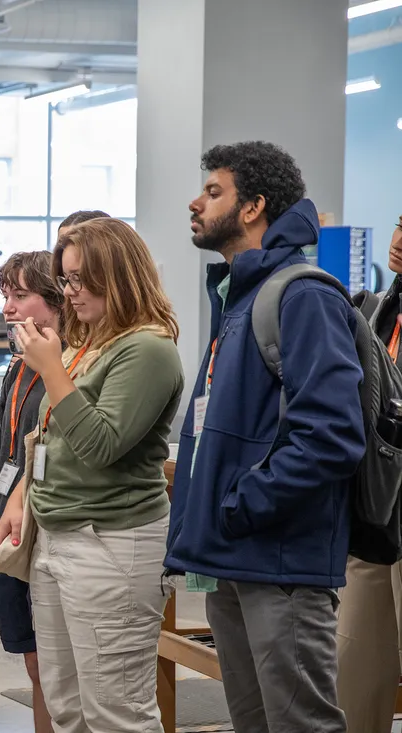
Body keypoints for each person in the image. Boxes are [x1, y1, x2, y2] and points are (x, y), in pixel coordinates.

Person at [165, 142, 365, 733]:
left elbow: (330, 435)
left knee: (300, 724)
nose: (195, 203)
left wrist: (242, 503)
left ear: (253, 207)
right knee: (254, 724)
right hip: (235, 557)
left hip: (280, 561)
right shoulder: (240, 294)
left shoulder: (301, 295)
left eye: (214, 192)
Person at [0, 217, 184, 732]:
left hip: (111, 543)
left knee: (117, 713)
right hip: (59, 536)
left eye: (80, 279)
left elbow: (100, 445)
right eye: (66, 279)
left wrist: (52, 370)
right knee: (66, 705)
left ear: (118, 276)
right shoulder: (93, 340)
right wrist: (21, 499)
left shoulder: (147, 349)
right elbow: (51, 438)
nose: (70, 292)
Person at [0, 249, 63, 733]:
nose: (9, 308)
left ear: (55, 301)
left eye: (21, 295)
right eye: (6, 295)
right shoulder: (17, 367)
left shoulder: (68, 367)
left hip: (44, 523)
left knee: (53, 665)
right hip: (5, 517)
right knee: (33, 661)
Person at [336, 215, 402, 732]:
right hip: (375, 512)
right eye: (399, 227)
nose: (397, 244)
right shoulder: (379, 309)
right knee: (354, 668)